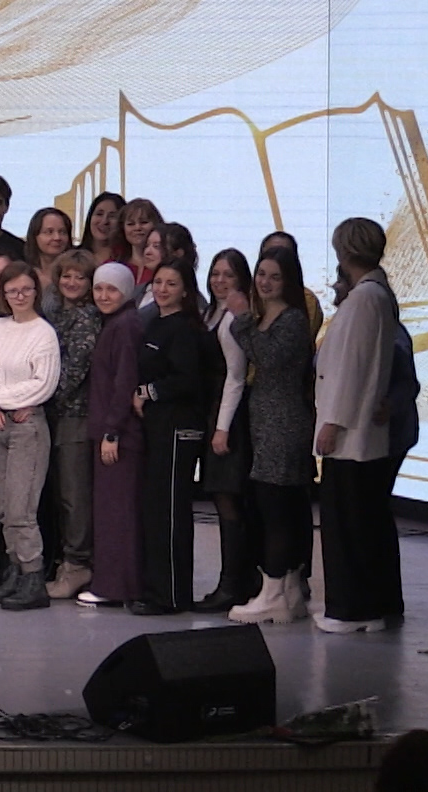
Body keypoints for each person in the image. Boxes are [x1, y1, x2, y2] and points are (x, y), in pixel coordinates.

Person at [311, 217, 402, 634]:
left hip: (351, 432)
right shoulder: (377, 294)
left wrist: (333, 421)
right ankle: (369, 606)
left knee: (346, 523)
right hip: (362, 428)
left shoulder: (364, 298)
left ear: (344, 250)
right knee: (361, 520)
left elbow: (350, 367)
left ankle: (350, 609)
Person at [227, 246, 316, 626]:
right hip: (266, 423)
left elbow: (269, 357)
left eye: (274, 276)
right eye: (261, 274)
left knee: (276, 507)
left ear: (288, 281)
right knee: (276, 505)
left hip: (284, 423)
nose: (265, 282)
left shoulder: (292, 319)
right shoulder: (264, 317)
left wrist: (241, 320)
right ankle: (289, 591)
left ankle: (275, 590)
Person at [0, 262, 60, 611]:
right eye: (12, 291)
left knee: (22, 509)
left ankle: (33, 578)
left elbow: (43, 383)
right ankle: (13, 571)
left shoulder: (43, 333)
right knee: (3, 506)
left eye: (26, 289)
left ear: (36, 291)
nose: (19, 296)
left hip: (27, 428)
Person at [129, 258, 206, 616]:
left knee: (171, 511)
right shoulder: (155, 324)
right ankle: (155, 588)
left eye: (171, 283)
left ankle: (172, 595)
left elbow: (188, 379)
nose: (162, 289)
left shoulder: (186, 329)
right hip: (157, 428)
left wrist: (148, 392)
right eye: (157, 282)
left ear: (186, 290)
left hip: (178, 429)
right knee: (155, 509)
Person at [77, 263, 144, 608]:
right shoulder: (117, 323)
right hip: (109, 430)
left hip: (118, 435)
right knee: (111, 510)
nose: (103, 296)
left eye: (112, 290)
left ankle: (115, 586)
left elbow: (124, 383)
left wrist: (112, 431)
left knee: (115, 512)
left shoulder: (125, 326)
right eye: (99, 288)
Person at [194, 249, 255, 613]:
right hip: (212, 411)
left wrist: (222, 429)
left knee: (229, 499)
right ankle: (239, 580)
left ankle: (233, 583)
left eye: (228, 274)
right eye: (215, 273)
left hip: (228, 415)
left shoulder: (232, 318)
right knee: (223, 499)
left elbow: (235, 377)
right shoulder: (211, 312)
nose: (219, 280)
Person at [43, 249, 102, 600]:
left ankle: (78, 564)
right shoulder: (53, 313)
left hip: (75, 417)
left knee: (73, 495)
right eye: (67, 275)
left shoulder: (87, 318)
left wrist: (37, 396)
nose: (72, 282)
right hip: (52, 416)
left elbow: (73, 372)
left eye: (80, 277)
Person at [24, 208, 73, 309]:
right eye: (49, 232)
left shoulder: (77, 275)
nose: (57, 237)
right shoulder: (24, 274)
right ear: (35, 236)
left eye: (62, 232)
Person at [117, 199, 163, 280]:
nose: (137, 227)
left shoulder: (166, 266)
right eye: (131, 224)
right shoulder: (114, 265)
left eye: (144, 222)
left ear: (156, 224)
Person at [80, 191, 127, 265]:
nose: (104, 221)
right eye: (99, 214)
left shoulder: (128, 259)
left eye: (112, 216)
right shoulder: (73, 256)